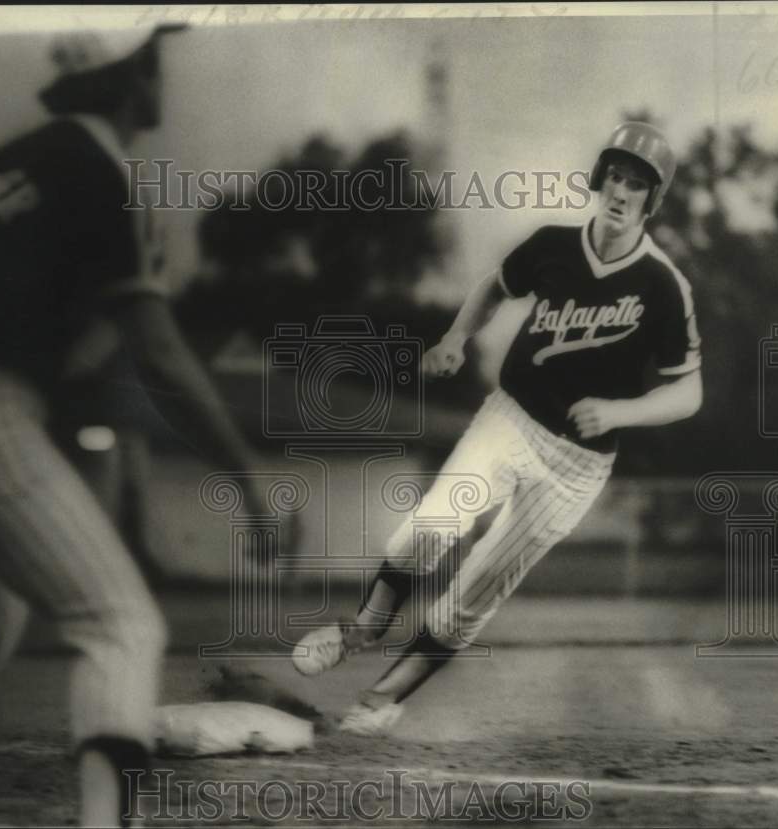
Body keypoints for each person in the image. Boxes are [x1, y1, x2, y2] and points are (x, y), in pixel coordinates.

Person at [0, 25, 274, 826]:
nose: (162, 76)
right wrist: (245, 474)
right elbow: (161, 354)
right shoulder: (100, 172)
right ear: (130, 75)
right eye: (155, 59)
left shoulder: (0, 165)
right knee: (121, 623)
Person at [292, 122, 703, 735]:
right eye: (615, 175)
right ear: (600, 179)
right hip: (511, 418)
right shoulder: (554, 245)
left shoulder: (664, 285)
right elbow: (495, 286)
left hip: (578, 467)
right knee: (433, 524)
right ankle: (361, 629)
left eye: (637, 183)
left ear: (652, 199)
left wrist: (620, 412)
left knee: (476, 591)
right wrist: (458, 336)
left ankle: (380, 701)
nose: (621, 191)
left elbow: (689, 390)